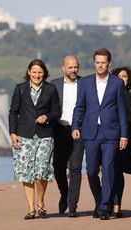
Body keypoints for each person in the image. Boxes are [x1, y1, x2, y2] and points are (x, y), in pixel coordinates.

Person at [72, 48, 128, 220]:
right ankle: (100, 200)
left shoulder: (117, 83)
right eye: (98, 62)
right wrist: (75, 126)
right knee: (90, 171)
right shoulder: (86, 83)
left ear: (109, 63)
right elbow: (79, 106)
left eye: (104, 62)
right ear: (94, 62)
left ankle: (104, 207)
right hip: (90, 133)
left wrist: (124, 135)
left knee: (109, 169)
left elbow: (122, 111)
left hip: (111, 134)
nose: (101, 65)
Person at [8, 59, 61, 220]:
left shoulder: (51, 89)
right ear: (29, 72)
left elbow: (57, 111)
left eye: (40, 72)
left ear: (44, 73)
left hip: (45, 135)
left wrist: (47, 116)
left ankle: (41, 200)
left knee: (41, 172)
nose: (37, 75)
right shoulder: (20, 89)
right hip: (24, 135)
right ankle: (31, 208)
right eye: (34, 72)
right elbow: (13, 112)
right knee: (27, 173)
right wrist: (13, 133)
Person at [50, 55, 85, 217]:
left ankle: (72, 205)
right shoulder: (54, 85)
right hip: (59, 130)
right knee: (58, 168)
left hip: (78, 130)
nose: (73, 70)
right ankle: (64, 194)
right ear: (63, 68)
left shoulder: (85, 84)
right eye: (70, 67)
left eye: (76, 67)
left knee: (75, 168)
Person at [110, 66, 131, 217]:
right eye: (118, 76)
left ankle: (116, 203)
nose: (122, 78)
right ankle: (106, 201)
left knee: (118, 171)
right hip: (108, 138)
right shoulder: (107, 96)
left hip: (125, 139)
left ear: (129, 80)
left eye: (125, 76)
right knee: (108, 172)